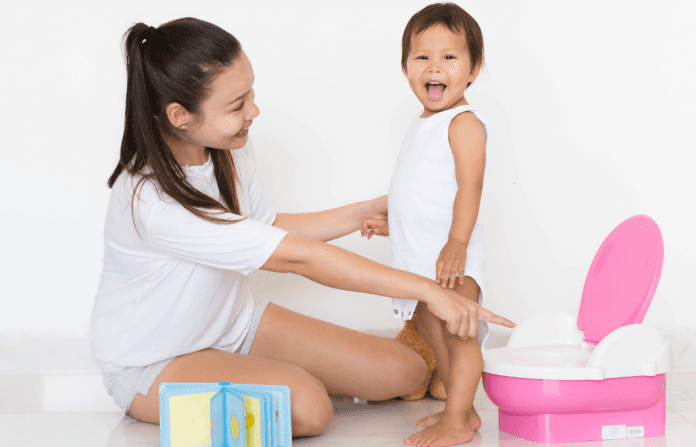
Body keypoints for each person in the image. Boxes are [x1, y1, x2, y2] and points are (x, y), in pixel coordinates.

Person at [91, 17, 515, 439]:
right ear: (180, 115)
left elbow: (266, 227)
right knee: (309, 408)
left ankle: (257, 374)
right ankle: (199, 392)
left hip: (232, 324)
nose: (254, 111)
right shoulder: (150, 202)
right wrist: (426, 290)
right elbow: (296, 256)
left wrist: (369, 211)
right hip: (154, 362)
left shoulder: (225, 148)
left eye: (250, 93)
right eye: (237, 106)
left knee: (406, 372)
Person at [361, 3, 498, 446]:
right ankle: (462, 410)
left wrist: (458, 242)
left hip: (449, 257)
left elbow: (469, 187)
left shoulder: (463, 123)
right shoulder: (422, 124)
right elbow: (420, 191)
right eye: (422, 57)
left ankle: (455, 419)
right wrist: (392, 225)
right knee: (431, 329)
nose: (434, 66)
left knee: (459, 337)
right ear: (405, 67)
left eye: (449, 57)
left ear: (473, 68)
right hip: (419, 257)